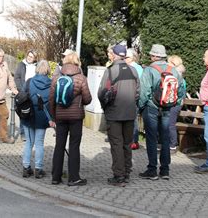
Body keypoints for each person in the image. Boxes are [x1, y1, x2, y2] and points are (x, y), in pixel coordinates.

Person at [138, 44, 184, 180]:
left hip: (151, 107)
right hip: (167, 108)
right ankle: (165, 170)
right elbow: (181, 90)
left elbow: (144, 92)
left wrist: (140, 108)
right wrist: (172, 103)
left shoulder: (149, 70)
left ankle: (152, 170)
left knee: (151, 138)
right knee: (164, 138)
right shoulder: (174, 70)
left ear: (153, 56)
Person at [98, 45, 140, 186]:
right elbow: (138, 92)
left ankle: (119, 176)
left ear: (115, 55)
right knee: (127, 144)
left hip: (114, 114)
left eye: (111, 53)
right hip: (130, 113)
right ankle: (127, 173)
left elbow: (101, 93)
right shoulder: (133, 70)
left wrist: (105, 107)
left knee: (116, 144)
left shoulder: (110, 71)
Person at [49, 52, 92, 186]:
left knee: (59, 146)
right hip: (76, 117)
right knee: (74, 146)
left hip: (60, 117)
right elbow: (88, 99)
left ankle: (56, 177)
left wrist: (53, 116)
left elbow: (51, 100)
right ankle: (74, 178)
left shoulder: (56, 77)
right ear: (77, 62)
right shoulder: (81, 78)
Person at [21, 60, 56, 178]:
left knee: (29, 143)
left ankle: (26, 168)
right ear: (48, 70)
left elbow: (22, 96)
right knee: (39, 143)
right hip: (42, 117)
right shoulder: (51, 84)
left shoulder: (29, 81)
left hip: (28, 115)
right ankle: (38, 169)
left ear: (37, 68)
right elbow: (52, 102)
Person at [14, 50, 38, 141]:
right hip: (23, 92)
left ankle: (32, 133)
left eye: (32, 57)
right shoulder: (21, 65)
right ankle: (23, 133)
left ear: (35, 58)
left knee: (33, 113)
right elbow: (17, 77)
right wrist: (21, 89)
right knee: (24, 112)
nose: (29, 58)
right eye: (29, 55)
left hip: (33, 92)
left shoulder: (37, 66)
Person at [167, 55, 187, 153]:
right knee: (169, 123)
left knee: (170, 124)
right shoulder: (179, 75)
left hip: (175, 104)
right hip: (176, 103)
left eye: (169, 63)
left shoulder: (177, 76)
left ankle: (173, 145)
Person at [125, 48, 144, 150]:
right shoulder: (126, 67)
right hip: (126, 97)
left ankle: (134, 141)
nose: (124, 59)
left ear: (133, 58)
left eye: (126, 57)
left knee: (133, 119)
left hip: (133, 98)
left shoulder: (137, 68)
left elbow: (139, 85)